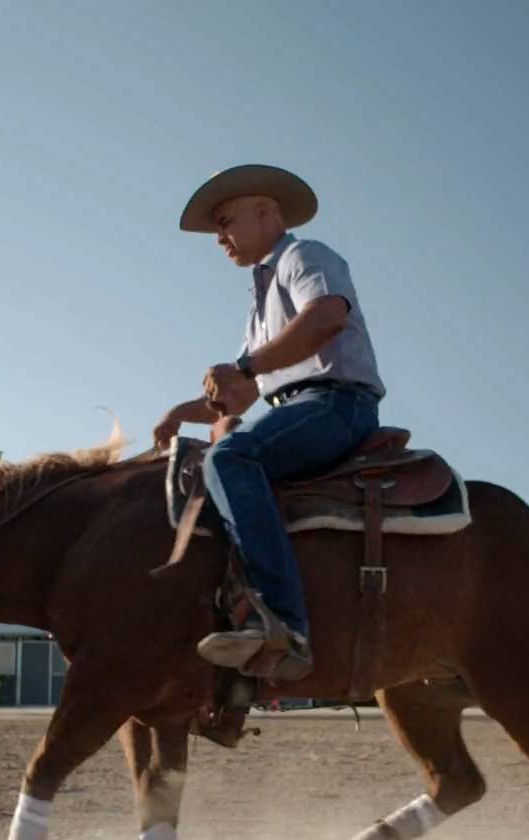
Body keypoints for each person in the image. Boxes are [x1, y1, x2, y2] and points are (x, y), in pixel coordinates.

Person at [151, 165, 385, 681]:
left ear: (266, 212)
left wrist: (248, 367)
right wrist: (178, 414)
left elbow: (326, 317)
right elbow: (237, 393)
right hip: (296, 406)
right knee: (220, 457)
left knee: (232, 456)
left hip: (336, 403)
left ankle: (282, 620)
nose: (219, 237)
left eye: (225, 221)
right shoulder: (259, 302)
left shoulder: (306, 256)